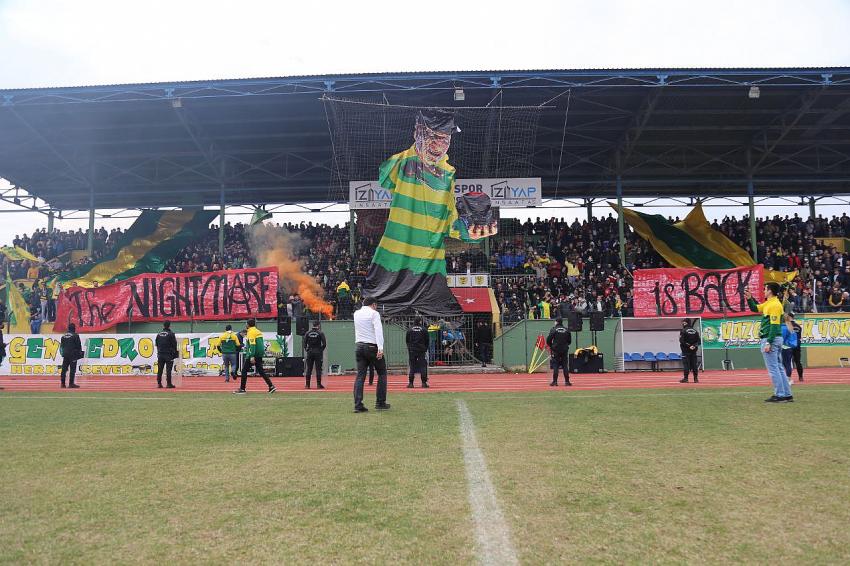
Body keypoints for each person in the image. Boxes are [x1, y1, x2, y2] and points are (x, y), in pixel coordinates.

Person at [746, 283, 793, 402]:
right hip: (773, 338)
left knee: (774, 369)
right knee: (778, 367)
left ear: (770, 291)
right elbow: (755, 308)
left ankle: (780, 394)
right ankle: (786, 394)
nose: (763, 291)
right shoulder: (770, 303)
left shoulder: (774, 305)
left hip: (770, 338)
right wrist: (749, 298)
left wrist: (768, 342)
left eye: (765, 289)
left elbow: (774, 326)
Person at [353, 297, 389, 412]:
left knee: (360, 376)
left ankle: (358, 405)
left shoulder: (356, 314)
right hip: (372, 346)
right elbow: (378, 330)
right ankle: (380, 402)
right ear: (373, 304)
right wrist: (381, 348)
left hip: (359, 346)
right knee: (382, 372)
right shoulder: (374, 314)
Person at [234, 319, 276, 394]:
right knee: (261, 371)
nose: (245, 325)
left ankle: (242, 389)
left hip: (253, 354)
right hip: (259, 353)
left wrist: (252, 356)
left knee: (244, 371)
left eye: (246, 323)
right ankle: (271, 386)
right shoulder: (257, 331)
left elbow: (252, 344)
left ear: (248, 324)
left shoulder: (251, 332)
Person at [546, 317, 572, 386]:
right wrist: (565, 345)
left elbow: (548, 340)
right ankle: (567, 381)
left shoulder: (553, 329)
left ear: (556, 322)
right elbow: (569, 341)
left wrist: (552, 346)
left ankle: (555, 382)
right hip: (564, 350)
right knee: (565, 365)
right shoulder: (567, 330)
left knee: (555, 365)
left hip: (556, 350)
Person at [405, 317, 430, 388]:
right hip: (421, 350)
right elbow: (427, 340)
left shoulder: (410, 329)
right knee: (423, 366)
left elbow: (407, 340)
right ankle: (424, 383)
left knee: (412, 366)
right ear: (420, 321)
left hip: (412, 350)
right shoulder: (424, 329)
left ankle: (411, 383)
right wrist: (425, 348)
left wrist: (409, 348)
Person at [304, 320, 327, 389]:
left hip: (310, 352)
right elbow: (324, 344)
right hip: (318, 352)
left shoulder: (307, 333)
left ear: (312, 325)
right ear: (318, 325)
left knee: (309, 369)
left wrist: (307, 349)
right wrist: (320, 350)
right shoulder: (320, 333)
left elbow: (304, 344)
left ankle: (307, 385)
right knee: (318, 369)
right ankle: (318, 385)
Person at [155, 321, 179, 388]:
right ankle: (169, 384)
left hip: (160, 354)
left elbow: (156, 344)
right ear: (169, 326)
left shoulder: (159, 334)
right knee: (168, 369)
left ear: (163, 325)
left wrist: (159, 351)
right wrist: (175, 352)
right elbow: (174, 344)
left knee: (160, 369)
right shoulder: (171, 334)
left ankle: (159, 383)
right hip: (168, 354)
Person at [60, 323, 83, 389]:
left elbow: (62, 345)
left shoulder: (63, 336)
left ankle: (62, 383)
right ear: (74, 328)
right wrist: (79, 353)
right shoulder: (75, 335)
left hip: (65, 354)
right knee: (72, 369)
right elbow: (78, 346)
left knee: (64, 369)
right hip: (73, 354)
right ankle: (71, 383)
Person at [679, 318, 701, 383]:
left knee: (686, 365)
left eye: (684, 323)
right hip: (693, 351)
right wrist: (694, 346)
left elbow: (681, 341)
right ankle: (696, 379)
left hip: (686, 351)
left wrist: (689, 346)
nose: (683, 324)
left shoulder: (683, 331)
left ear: (687, 323)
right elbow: (699, 341)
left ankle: (686, 378)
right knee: (694, 365)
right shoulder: (695, 331)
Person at [781, 313, 800, 383]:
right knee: (787, 363)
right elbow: (794, 339)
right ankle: (788, 378)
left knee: (785, 364)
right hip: (789, 347)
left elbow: (781, 338)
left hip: (783, 347)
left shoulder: (782, 327)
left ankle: (787, 379)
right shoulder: (790, 327)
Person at [790, 314, 804, 382]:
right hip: (797, 345)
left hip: (789, 346)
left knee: (789, 362)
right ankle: (801, 377)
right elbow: (799, 337)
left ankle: (788, 377)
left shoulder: (788, 326)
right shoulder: (798, 326)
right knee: (798, 362)